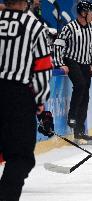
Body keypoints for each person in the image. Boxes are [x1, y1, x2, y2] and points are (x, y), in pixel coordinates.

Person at [0, 0, 53, 199]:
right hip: (16, 95)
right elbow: (42, 67)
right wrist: (40, 99)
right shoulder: (34, 26)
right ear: (26, 3)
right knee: (21, 157)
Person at [53, 0, 92, 145]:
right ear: (83, 13)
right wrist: (61, 63)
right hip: (71, 60)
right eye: (90, 12)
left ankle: (79, 131)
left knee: (85, 96)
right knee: (80, 85)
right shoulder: (70, 27)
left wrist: (91, 62)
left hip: (85, 64)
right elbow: (58, 44)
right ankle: (72, 116)